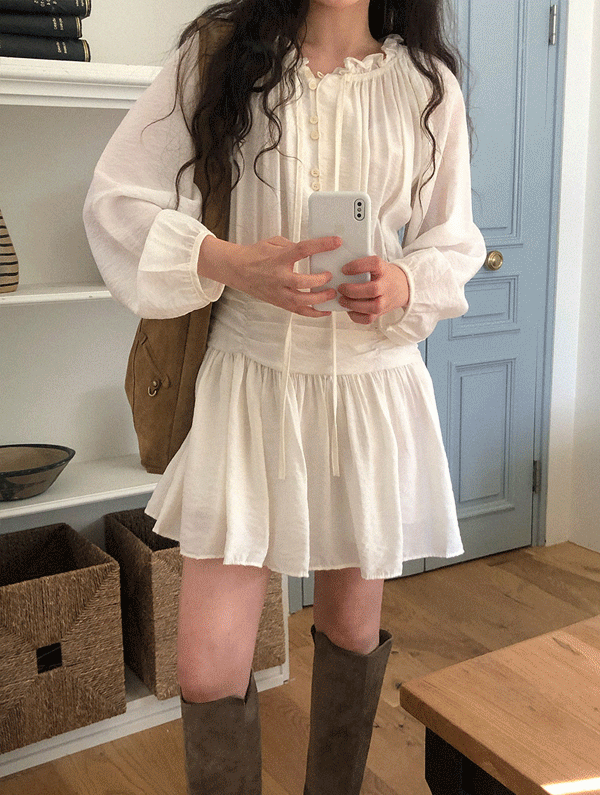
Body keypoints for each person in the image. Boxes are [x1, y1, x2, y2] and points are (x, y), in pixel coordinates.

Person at [83, 0, 486, 791]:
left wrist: (404, 282)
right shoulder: (219, 56)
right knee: (206, 665)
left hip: (371, 388)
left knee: (352, 632)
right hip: (249, 378)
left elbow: (454, 237)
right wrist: (233, 262)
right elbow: (115, 200)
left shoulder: (425, 83)